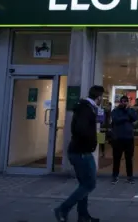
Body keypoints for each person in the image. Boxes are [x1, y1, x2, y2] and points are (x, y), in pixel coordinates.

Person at [54, 85, 105, 222]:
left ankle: (83, 216)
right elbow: (80, 129)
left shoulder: (87, 108)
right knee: (90, 184)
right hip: (81, 152)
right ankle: (62, 209)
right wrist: (92, 140)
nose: (102, 99)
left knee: (84, 184)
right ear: (99, 97)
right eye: (102, 97)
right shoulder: (85, 109)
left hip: (81, 151)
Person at [110, 96, 138, 184]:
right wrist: (126, 118)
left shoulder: (131, 110)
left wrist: (127, 110)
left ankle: (130, 176)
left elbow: (134, 118)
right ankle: (115, 176)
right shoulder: (115, 111)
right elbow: (115, 120)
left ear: (128, 102)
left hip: (129, 138)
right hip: (118, 138)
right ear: (119, 102)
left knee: (129, 159)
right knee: (116, 158)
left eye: (125, 101)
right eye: (122, 101)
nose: (123, 102)